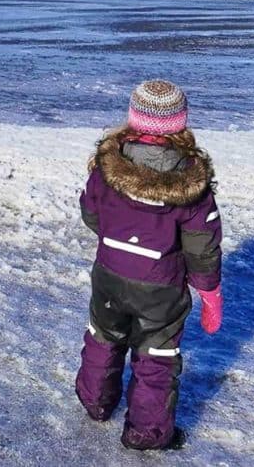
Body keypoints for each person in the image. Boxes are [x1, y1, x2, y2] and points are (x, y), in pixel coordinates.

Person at [75, 79, 223, 450]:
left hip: (110, 271)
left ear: (133, 119)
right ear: (180, 124)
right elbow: (201, 245)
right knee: (156, 355)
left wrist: (118, 239)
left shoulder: (108, 166)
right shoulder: (190, 181)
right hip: (160, 284)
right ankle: (146, 431)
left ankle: (95, 401)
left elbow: (91, 212)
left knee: (103, 337)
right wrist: (209, 290)